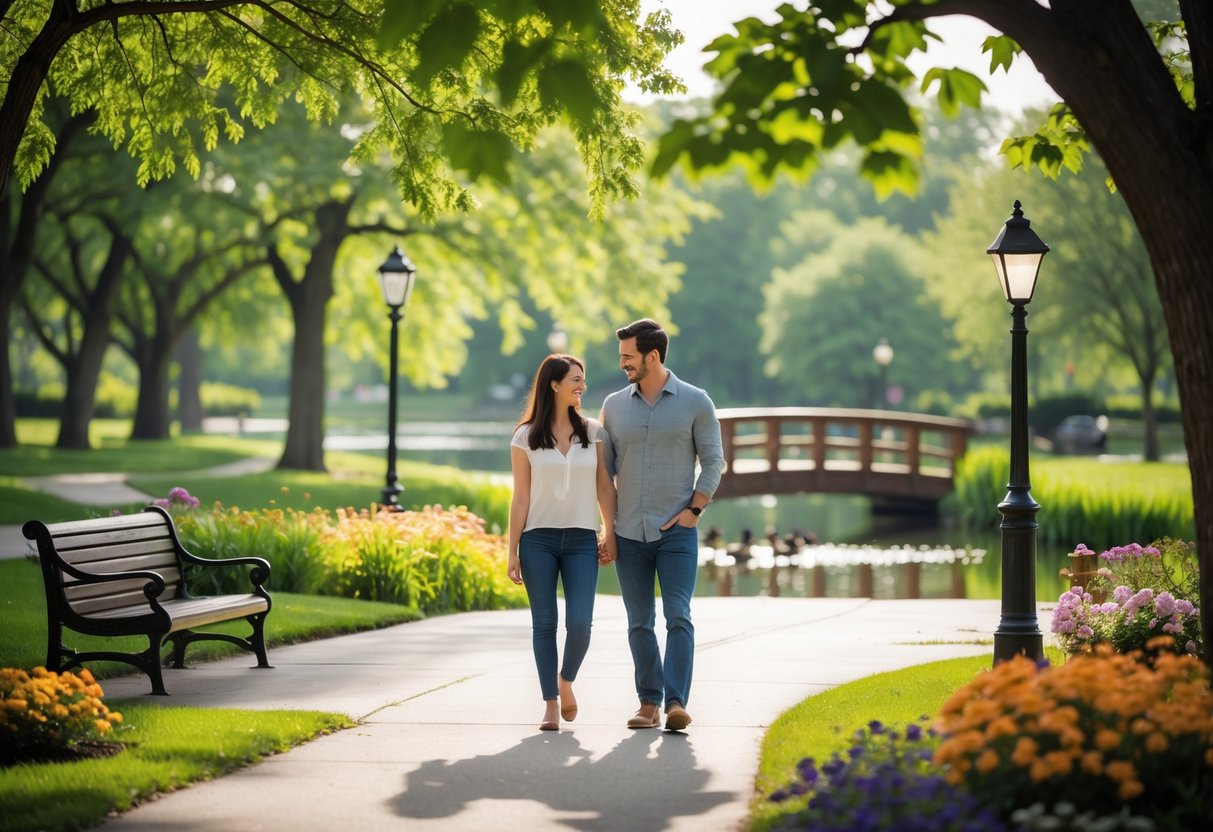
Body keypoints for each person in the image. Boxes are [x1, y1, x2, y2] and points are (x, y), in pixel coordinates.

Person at [600, 319, 725, 731]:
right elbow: (605, 474)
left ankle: (675, 703)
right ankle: (648, 703)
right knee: (639, 621)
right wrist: (607, 528)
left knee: (678, 616)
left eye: (628, 357)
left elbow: (714, 462)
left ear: (652, 356)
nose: (622, 364)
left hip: (677, 533)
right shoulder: (614, 406)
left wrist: (694, 511)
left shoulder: (696, 401)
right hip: (629, 532)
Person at [507, 354, 617, 731]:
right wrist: (512, 550)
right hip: (537, 540)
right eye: (575, 379)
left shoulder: (593, 432)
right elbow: (520, 497)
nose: (581, 386)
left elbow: (605, 486)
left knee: (581, 623)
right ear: (554, 384)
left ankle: (565, 681)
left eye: (582, 379)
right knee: (544, 623)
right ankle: (550, 704)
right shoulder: (525, 437)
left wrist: (610, 531)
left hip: (583, 540)